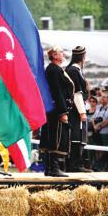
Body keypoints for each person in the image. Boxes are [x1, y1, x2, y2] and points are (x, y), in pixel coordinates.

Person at [39, 46, 73, 177]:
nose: (63, 54)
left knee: (52, 137)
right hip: (56, 110)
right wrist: (63, 112)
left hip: (54, 109)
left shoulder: (55, 69)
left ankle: (49, 168)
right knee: (55, 138)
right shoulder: (53, 70)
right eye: (60, 52)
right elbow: (57, 91)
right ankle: (53, 168)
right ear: (54, 55)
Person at [65, 46, 92, 172]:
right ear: (83, 56)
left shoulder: (75, 70)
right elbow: (77, 93)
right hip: (75, 110)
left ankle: (77, 163)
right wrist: (82, 112)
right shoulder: (74, 70)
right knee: (76, 136)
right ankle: (75, 165)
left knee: (78, 136)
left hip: (76, 108)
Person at [92, 91, 108, 171]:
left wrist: (100, 125)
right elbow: (94, 118)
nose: (101, 98)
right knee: (99, 148)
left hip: (107, 131)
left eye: (103, 97)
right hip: (97, 131)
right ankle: (101, 166)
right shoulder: (99, 107)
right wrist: (95, 126)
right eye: (101, 97)